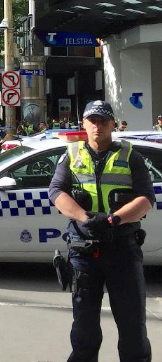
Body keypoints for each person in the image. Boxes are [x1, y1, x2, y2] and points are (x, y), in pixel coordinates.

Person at [49, 100, 152, 362]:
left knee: (132, 326)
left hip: (122, 249)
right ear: (83, 123)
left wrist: (112, 220)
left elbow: (146, 199)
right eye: (92, 120)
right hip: (84, 251)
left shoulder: (131, 156)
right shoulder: (71, 155)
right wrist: (85, 218)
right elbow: (56, 192)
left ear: (113, 124)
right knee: (84, 328)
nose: (97, 126)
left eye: (103, 120)